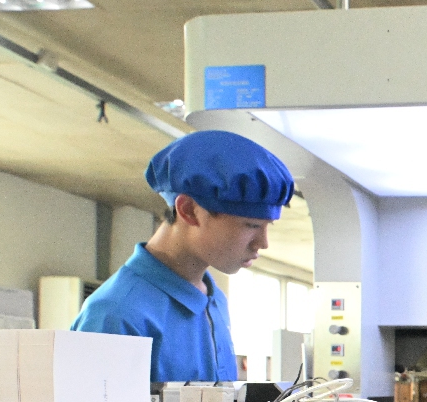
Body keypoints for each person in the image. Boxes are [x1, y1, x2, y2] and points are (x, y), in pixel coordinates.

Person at [72, 131, 294, 382]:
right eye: (251, 226)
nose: (262, 243)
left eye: (268, 227)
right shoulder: (117, 315)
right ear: (188, 210)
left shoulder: (214, 299)